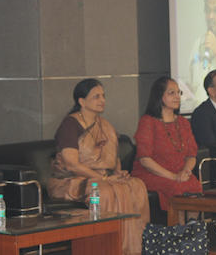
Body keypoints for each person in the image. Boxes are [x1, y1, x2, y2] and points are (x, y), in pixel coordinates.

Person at [47, 79, 149, 255]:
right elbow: (71, 163)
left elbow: (113, 157)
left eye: (103, 96)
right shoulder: (70, 125)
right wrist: (103, 178)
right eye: (96, 96)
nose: (102, 100)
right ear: (81, 101)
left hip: (103, 177)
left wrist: (118, 173)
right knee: (105, 191)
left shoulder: (105, 125)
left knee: (136, 185)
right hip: (72, 180)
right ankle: (109, 249)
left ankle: (136, 248)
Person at [132, 76, 202, 215]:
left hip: (179, 173)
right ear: (159, 96)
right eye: (171, 93)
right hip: (152, 173)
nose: (177, 97)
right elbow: (145, 159)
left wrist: (186, 172)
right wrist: (172, 176)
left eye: (179, 93)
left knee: (194, 185)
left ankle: (192, 229)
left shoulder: (183, 122)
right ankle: (179, 232)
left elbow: (191, 155)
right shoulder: (148, 122)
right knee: (176, 188)